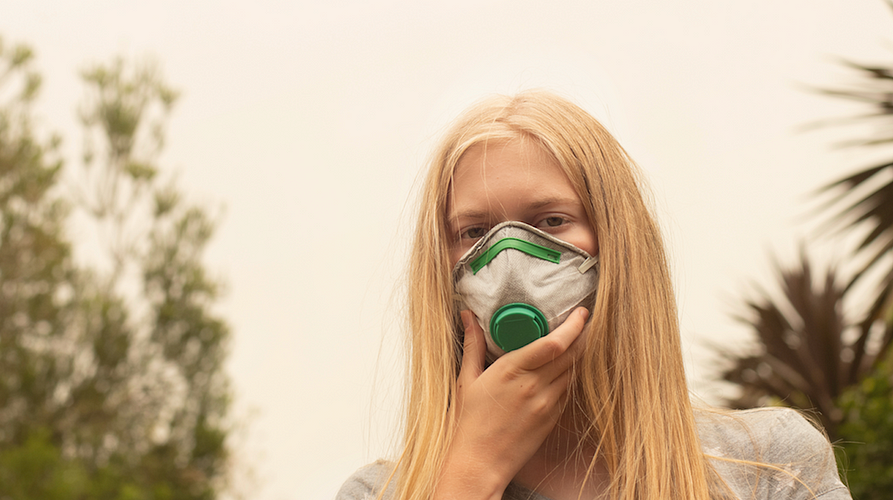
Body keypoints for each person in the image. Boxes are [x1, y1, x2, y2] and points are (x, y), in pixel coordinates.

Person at [335, 90, 850, 500]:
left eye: (552, 221)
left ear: (619, 244)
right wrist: (470, 476)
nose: (510, 260)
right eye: (474, 232)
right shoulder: (378, 494)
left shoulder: (771, 468)